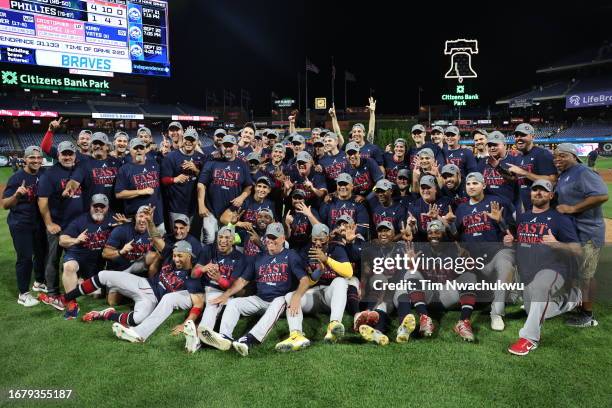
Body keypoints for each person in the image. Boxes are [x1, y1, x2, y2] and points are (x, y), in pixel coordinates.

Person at [51, 241, 204, 344]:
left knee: (138, 318)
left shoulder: (192, 276)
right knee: (104, 275)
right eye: (175, 255)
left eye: (180, 256)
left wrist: (186, 324)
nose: (175, 258)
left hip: (153, 300)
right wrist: (150, 221)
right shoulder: (171, 256)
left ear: (189, 256)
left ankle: (106, 314)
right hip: (143, 284)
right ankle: (65, 298)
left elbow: (198, 302)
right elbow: (157, 238)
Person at [199, 223, 310, 357]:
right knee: (234, 303)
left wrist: (297, 296)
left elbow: (305, 280)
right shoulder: (259, 257)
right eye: (268, 237)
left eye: (274, 237)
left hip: (280, 301)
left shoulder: (291, 255)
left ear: (282, 239)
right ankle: (225, 337)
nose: (270, 240)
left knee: (278, 301)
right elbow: (242, 281)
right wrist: (226, 295)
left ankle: (251, 339)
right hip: (260, 300)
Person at [508, 179, 582, 355]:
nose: (538, 193)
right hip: (528, 273)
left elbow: (578, 250)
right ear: (530, 193)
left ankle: (529, 338)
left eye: (543, 190)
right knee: (533, 309)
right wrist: (512, 241)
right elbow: (523, 241)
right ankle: (571, 299)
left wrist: (558, 244)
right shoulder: (523, 217)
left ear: (551, 195)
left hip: (553, 269)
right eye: (535, 190)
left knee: (541, 289)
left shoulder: (559, 219)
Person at [450, 172, 515, 331]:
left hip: (496, 254)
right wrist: (449, 225)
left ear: (484, 185)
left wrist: (501, 222)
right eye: (468, 184)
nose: (471, 187)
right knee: (451, 297)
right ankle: (466, 315)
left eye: (475, 183)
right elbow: (456, 235)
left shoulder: (496, 202)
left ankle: (497, 313)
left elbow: (512, 229)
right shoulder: (462, 208)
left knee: (506, 265)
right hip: (474, 259)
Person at [553, 143, 608, 327]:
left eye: (562, 156)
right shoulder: (565, 175)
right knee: (576, 272)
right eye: (555, 156)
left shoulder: (583, 172)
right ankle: (577, 304)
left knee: (586, 275)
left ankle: (587, 314)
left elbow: (601, 195)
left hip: (588, 232)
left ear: (574, 156)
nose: (557, 159)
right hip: (574, 232)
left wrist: (573, 208)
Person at [275, 223, 353, 351]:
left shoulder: (336, 249)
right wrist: (317, 273)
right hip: (313, 295)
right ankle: (296, 335)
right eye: (315, 239)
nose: (317, 242)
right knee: (291, 296)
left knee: (340, 281)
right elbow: (306, 281)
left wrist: (327, 260)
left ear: (327, 238)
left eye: (321, 239)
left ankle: (334, 325)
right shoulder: (307, 251)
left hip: (330, 295)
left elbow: (348, 272)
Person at [402, 220, 479, 342]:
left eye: (437, 232)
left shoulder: (455, 249)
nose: (433, 235)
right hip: (427, 294)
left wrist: (466, 262)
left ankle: (463, 322)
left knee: (469, 276)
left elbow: (471, 272)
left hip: (446, 294)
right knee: (410, 272)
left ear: (444, 233)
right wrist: (411, 263)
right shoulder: (420, 249)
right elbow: (412, 275)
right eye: (430, 232)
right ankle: (424, 318)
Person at [53, 194, 122, 319]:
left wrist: (124, 225)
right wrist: (76, 240)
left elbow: (132, 226)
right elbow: (62, 240)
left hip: (97, 264)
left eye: (102, 207)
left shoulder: (114, 219)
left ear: (107, 208)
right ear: (90, 206)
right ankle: (72, 304)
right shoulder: (80, 221)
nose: (99, 209)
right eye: (96, 206)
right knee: (69, 267)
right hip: (78, 257)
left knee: (97, 294)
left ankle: (80, 283)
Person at [181, 226, 248, 353]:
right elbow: (194, 274)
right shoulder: (208, 250)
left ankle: (198, 339)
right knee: (172, 298)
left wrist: (219, 279)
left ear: (233, 239)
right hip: (201, 290)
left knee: (212, 303)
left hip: (221, 292)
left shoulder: (240, 258)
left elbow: (232, 287)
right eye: (220, 237)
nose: (223, 241)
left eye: (227, 238)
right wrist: (203, 268)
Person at [37, 141, 85, 303]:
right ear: (58, 155)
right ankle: (52, 292)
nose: (67, 156)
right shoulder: (49, 174)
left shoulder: (79, 169)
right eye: (64, 154)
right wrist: (49, 224)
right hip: (59, 224)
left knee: (76, 258)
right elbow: (42, 202)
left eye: (70, 153)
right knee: (53, 259)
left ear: (75, 155)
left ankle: (75, 288)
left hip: (78, 225)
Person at [2, 146, 47, 307]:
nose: (36, 160)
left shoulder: (43, 174)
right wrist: (17, 194)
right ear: (25, 159)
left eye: (38, 157)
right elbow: (5, 205)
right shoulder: (17, 178)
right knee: (25, 258)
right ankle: (23, 294)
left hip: (38, 222)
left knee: (41, 254)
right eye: (32, 157)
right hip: (21, 223)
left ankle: (39, 282)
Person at [197, 135, 253, 220]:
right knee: (210, 234)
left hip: (231, 211)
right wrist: (201, 205)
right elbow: (201, 184)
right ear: (221, 147)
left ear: (236, 147)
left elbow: (249, 186)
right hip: (210, 211)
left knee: (227, 233)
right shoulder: (212, 162)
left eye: (231, 146)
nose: (228, 148)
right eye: (225, 146)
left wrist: (242, 197)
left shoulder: (243, 165)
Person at [115, 138, 165, 230]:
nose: (138, 150)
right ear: (130, 151)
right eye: (135, 148)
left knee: (159, 243)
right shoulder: (124, 169)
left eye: (141, 148)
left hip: (157, 218)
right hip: (137, 221)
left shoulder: (154, 165)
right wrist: (141, 191)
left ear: (145, 150)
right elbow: (119, 194)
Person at [507, 123, 557, 212]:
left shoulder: (542, 154)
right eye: (516, 135)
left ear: (532, 137)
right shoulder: (518, 157)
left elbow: (552, 181)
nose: (519, 138)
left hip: (543, 209)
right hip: (526, 208)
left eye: (523, 135)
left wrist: (524, 173)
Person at [160, 127, 205, 221]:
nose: (188, 142)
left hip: (194, 206)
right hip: (177, 206)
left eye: (192, 140)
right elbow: (162, 180)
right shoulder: (171, 157)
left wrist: (196, 170)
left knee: (191, 234)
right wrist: (175, 179)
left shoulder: (201, 157)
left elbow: (206, 180)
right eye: (186, 139)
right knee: (179, 233)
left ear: (196, 141)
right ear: (182, 139)